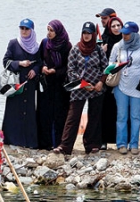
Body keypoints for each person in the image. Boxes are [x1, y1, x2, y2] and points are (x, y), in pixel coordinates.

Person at [53, 22, 108, 155]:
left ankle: (91, 145)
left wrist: (101, 82)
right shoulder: (75, 50)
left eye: (89, 33)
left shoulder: (99, 50)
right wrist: (83, 84)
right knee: (73, 117)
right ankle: (65, 146)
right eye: (84, 33)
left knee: (94, 116)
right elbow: (71, 71)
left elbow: (106, 68)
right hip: (79, 87)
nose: (87, 36)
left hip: (96, 88)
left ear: (93, 34)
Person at [110, 21, 140, 155]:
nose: (124, 36)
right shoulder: (117, 46)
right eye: (123, 34)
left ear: (134, 34)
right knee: (122, 115)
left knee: (136, 116)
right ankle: (121, 144)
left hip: (138, 86)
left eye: (127, 34)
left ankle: (134, 144)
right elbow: (110, 64)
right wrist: (117, 65)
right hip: (121, 85)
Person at [1, 18, 41, 148]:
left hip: (29, 83)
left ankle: (28, 141)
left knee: (28, 111)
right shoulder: (13, 43)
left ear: (31, 30)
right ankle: (11, 139)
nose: (24, 31)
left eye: (26, 29)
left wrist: (35, 70)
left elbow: (40, 62)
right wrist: (19, 63)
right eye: (22, 28)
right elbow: (6, 61)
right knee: (13, 110)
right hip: (15, 83)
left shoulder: (36, 46)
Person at [37, 20, 72, 150]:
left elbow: (68, 66)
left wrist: (55, 71)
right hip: (47, 84)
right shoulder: (45, 43)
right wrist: (43, 67)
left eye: (52, 31)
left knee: (59, 114)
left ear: (58, 32)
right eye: (48, 30)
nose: (49, 33)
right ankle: (45, 143)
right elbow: (39, 59)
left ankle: (58, 143)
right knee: (45, 113)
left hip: (60, 85)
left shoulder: (67, 46)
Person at [99, 16, 123, 150]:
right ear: (109, 28)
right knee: (106, 110)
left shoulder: (127, 40)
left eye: (118, 25)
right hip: (108, 81)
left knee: (122, 111)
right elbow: (98, 62)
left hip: (123, 82)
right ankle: (104, 140)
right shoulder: (104, 40)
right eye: (113, 26)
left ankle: (121, 140)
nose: (116, 28)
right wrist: (102, 51)